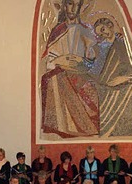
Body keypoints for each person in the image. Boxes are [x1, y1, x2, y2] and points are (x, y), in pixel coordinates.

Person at [40, 0, 98, 138]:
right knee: (52, 78)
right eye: (70, 3)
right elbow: (50, 60)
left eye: (77, 5)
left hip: (82, 72)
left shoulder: (87, 31)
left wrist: (83, 60)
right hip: (62, 70)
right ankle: (60, 125)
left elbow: (94, 60)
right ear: (64, 6)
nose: (73, 8)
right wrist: (59, 61)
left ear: (80, 8)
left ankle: (87, 126)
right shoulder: (57, 31)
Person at [92, 16, 132, 137]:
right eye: (100, 33)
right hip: (107, 82)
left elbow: (131, 66)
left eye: (103, 29)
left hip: (124, 81)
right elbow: (99, 69)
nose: (103, 34)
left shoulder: (122, 42)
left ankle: (123, 131)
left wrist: (124, 78)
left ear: (110, 25)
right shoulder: (102, 47)